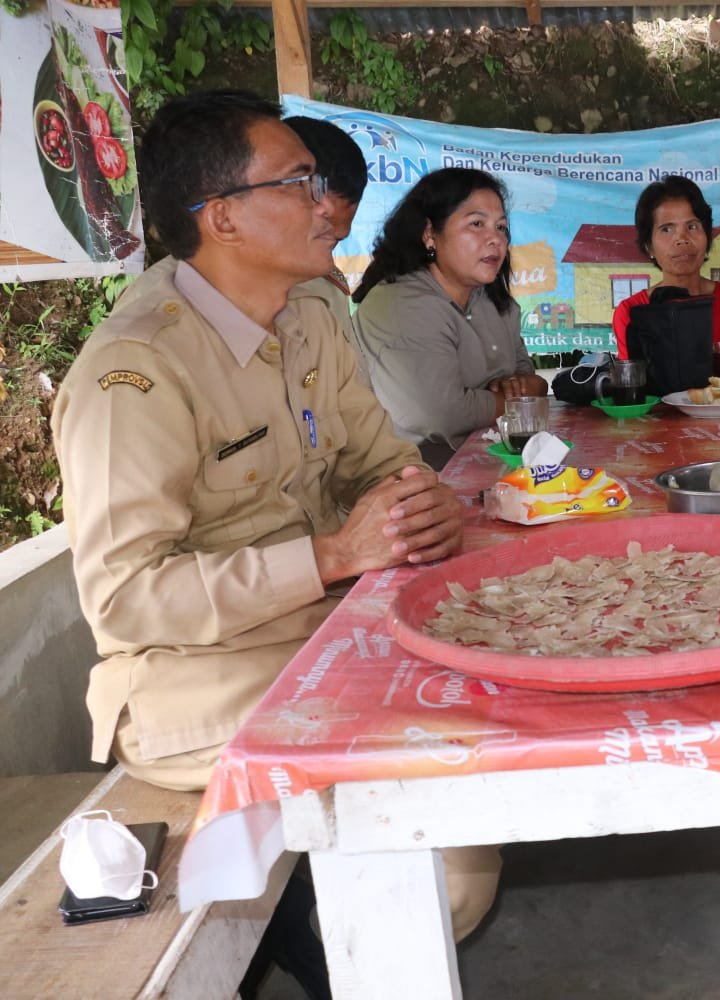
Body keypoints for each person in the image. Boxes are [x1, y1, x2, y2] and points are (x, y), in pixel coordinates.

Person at [51, 90, 500, 993]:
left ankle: (336, 947)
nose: (326, 201)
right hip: (191, 680)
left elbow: (380, 461)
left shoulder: (310, 318)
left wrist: (421, 505)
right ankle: (346, 956)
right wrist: (333, 557)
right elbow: (126, 597)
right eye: (296, 182)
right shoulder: (135, 372)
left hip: (317, 634)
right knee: (449, 828)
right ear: (221, 218)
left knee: (494, 670)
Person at [353, 167, 547, 468]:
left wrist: (524, 387)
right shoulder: (403, 303)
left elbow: (526, 373)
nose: (495, 239)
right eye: (477, 224)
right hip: (412, 480)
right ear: (431, 235)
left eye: (501, 227)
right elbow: (443, 414)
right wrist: (519, 398)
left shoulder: (492, 300)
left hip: (488, 465)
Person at [610, 174, 720, 382]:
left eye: (692, 226)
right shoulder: (631, 312)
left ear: (707, 237)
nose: (682, 239)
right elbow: (634, 391)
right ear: (648, 246)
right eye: (667, 229)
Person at [284, 115, 369, 381]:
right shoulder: (191, 305)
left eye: (335, 242)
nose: (326, 261)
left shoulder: (326, 287)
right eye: (322, 234)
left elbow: (356, 396)